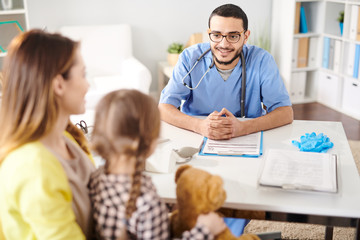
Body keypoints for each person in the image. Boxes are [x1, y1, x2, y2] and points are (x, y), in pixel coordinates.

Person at [88, 89, 226, 240]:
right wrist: (205, 229)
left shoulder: (96, 176)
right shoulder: (147, 203)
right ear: (150, 141)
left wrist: (167, 205)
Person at [0, 29, 95, 239]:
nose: (88, 85)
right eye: (83, 74)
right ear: (59, 85)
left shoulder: (67, 139)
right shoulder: (34, 166)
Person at [159, 4, 293, 140]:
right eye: (216, 35)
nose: (223, 44)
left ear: (246, 36)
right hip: (195, 135)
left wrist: (244, 128)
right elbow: (164, 108)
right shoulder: (190, 57)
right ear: (209, 33)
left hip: (247, 136)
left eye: (233, 36)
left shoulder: (261, 60)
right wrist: (199, 126)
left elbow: (285, 113)